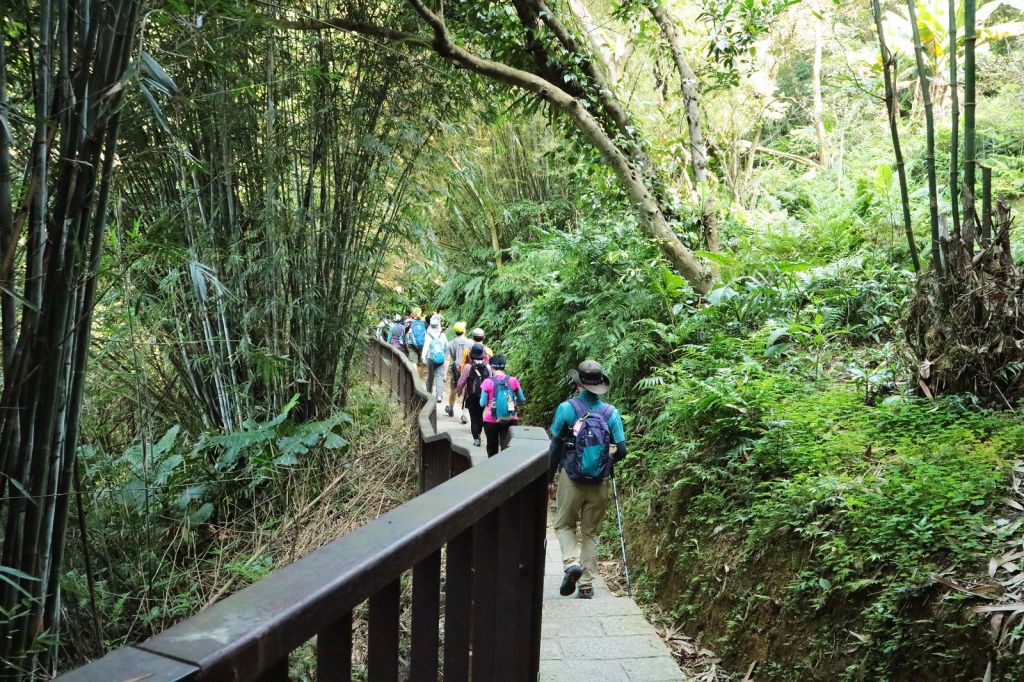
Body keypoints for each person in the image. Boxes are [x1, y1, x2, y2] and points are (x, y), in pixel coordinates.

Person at [548, 360, 627, 600]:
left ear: (579, 383)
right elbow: (622, 450)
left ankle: (571, 563)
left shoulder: (566, 408)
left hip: (571, 477)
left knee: (564, 524)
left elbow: (555, 446)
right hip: (600, 481)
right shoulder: (610, 413)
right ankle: (586, 585)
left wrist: (548, 478)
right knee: (591, 532)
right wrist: (606, 463)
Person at [479, 355, 525, 457]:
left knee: (492, 449)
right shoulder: (513, 380)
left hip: (492, 420)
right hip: (511, 417)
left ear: (491, 367)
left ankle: (493, 470)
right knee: (508, 449)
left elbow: (482, 403)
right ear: (504, 367)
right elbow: (522, 399)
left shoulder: (487, 382)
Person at [457, 344, 490, 447]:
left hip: (470, 396)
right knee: (480, 415)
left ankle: (476, 439)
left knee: (473, 418)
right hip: (483, 396)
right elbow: (490, 382)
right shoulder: (487, 367)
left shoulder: (468, 367)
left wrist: (459, 391)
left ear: (471, 356)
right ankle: (479, 434)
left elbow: (461, 381)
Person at [445, 322, 473, 421]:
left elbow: (448, 359)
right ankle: (464, 414)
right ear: (464, 331)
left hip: (456, 369)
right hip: (467, 368)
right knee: (467, 391)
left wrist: (444, 374)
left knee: (453, 388)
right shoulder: (470, 343)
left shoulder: (450, 344)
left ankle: (451, 408)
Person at [421, 315, 448, 403]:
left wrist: (423, 357)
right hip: (440, 358)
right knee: (439, 376)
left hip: (431, 358)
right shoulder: (443, 335)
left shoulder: (429, 335)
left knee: (431, 376)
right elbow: (446, 347)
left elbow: (426, 346)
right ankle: (439, 396)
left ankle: (429, 393)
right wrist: (445, 356)